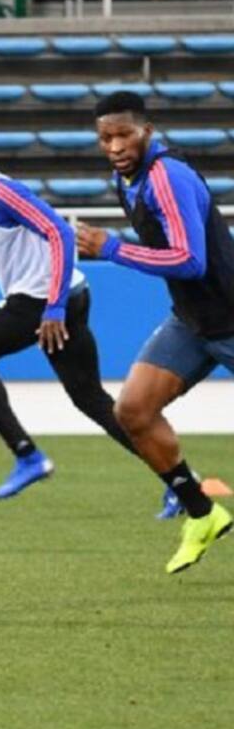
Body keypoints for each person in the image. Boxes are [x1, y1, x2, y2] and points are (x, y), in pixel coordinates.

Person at [0, 126, 140, 500]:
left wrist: (54, 306)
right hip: (67, 296)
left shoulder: (1, 191)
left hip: (43, 301)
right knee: (89, 397)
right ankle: (178, 479)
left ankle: (27, 456)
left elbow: (60, 232)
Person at [76, 90, 234, 573]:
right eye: (105, 137)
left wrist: (112, 249)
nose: (115, 146)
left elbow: (190, 260)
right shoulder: (127, 179)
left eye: (124, 134)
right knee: (133, 411)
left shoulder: (168, 176)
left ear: (147, 131)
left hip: (230, 316)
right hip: (192, 321)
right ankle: (203, 514)